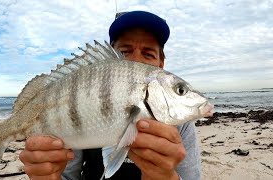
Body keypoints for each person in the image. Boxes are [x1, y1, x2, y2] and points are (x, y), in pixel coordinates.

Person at [19, 11, 201, 180]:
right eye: (124, 52)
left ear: (161, 64)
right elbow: (67, 176)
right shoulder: (83, 103)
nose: (136, 61)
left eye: (148, 54)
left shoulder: (181, 122)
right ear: (109, 60)